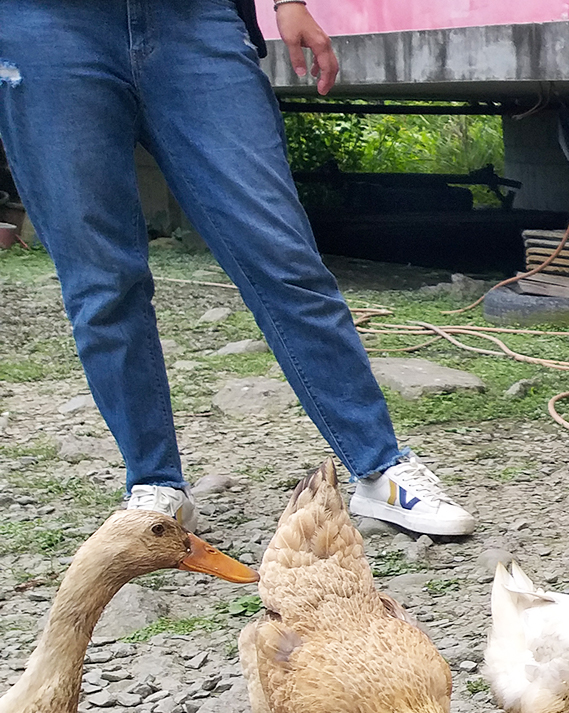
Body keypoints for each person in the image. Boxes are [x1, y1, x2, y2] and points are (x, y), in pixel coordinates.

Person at [0, 0, 475, 536]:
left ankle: (380, 467)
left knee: (281, 255)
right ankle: (155, 486)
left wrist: (289, 3)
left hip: (195, 20)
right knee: (102, 282)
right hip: (43, 28)